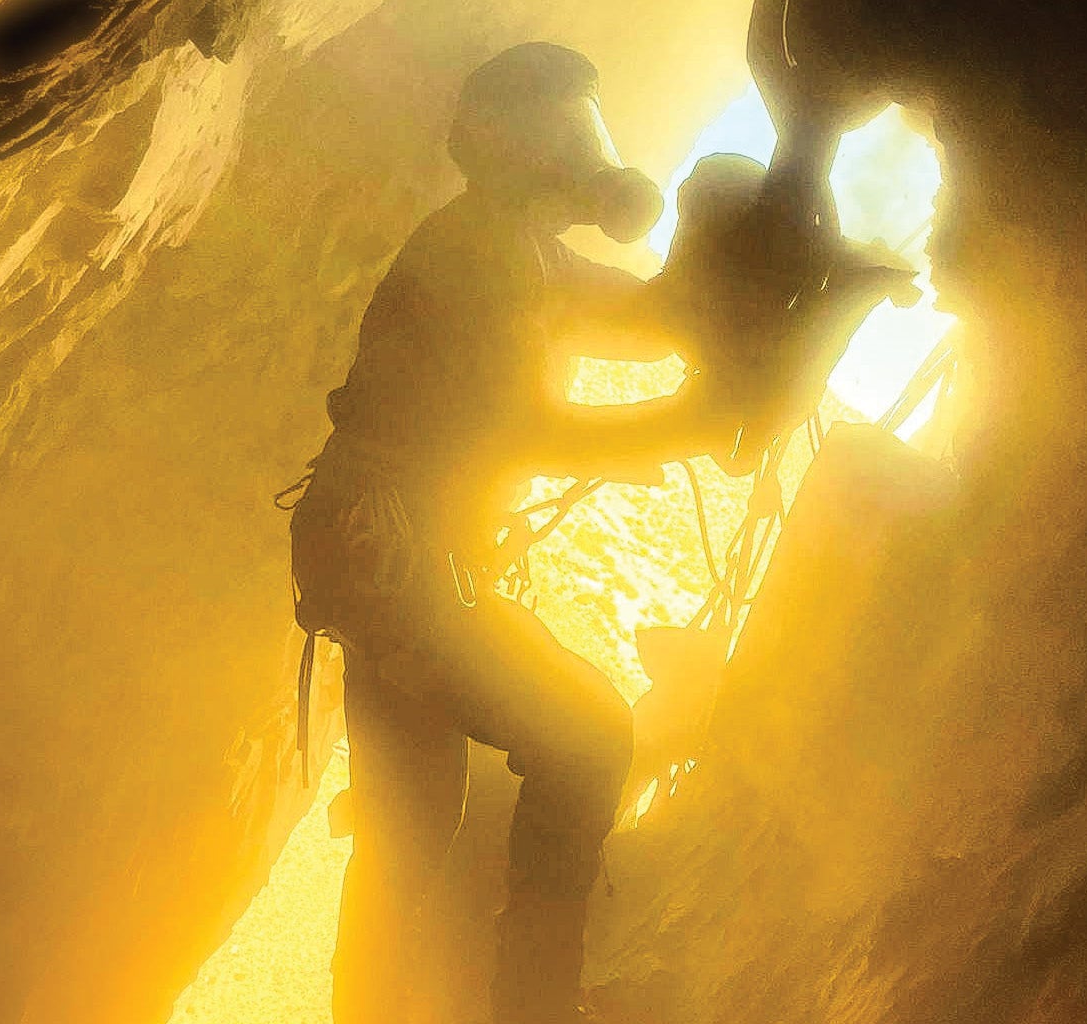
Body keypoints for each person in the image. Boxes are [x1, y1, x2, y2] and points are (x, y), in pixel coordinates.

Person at [289, 43, 739, 1024]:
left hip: (387, 568)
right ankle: (533, 1008)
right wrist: (693, 418)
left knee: (408, 835)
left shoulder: (519, 247)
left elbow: (636, 310)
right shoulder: (476, 256)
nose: (588, 146)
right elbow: (526, 428)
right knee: (586, 738)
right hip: (400, 570)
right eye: (567, 124)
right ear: (513, 143)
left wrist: (732, 291)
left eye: (591, 120)